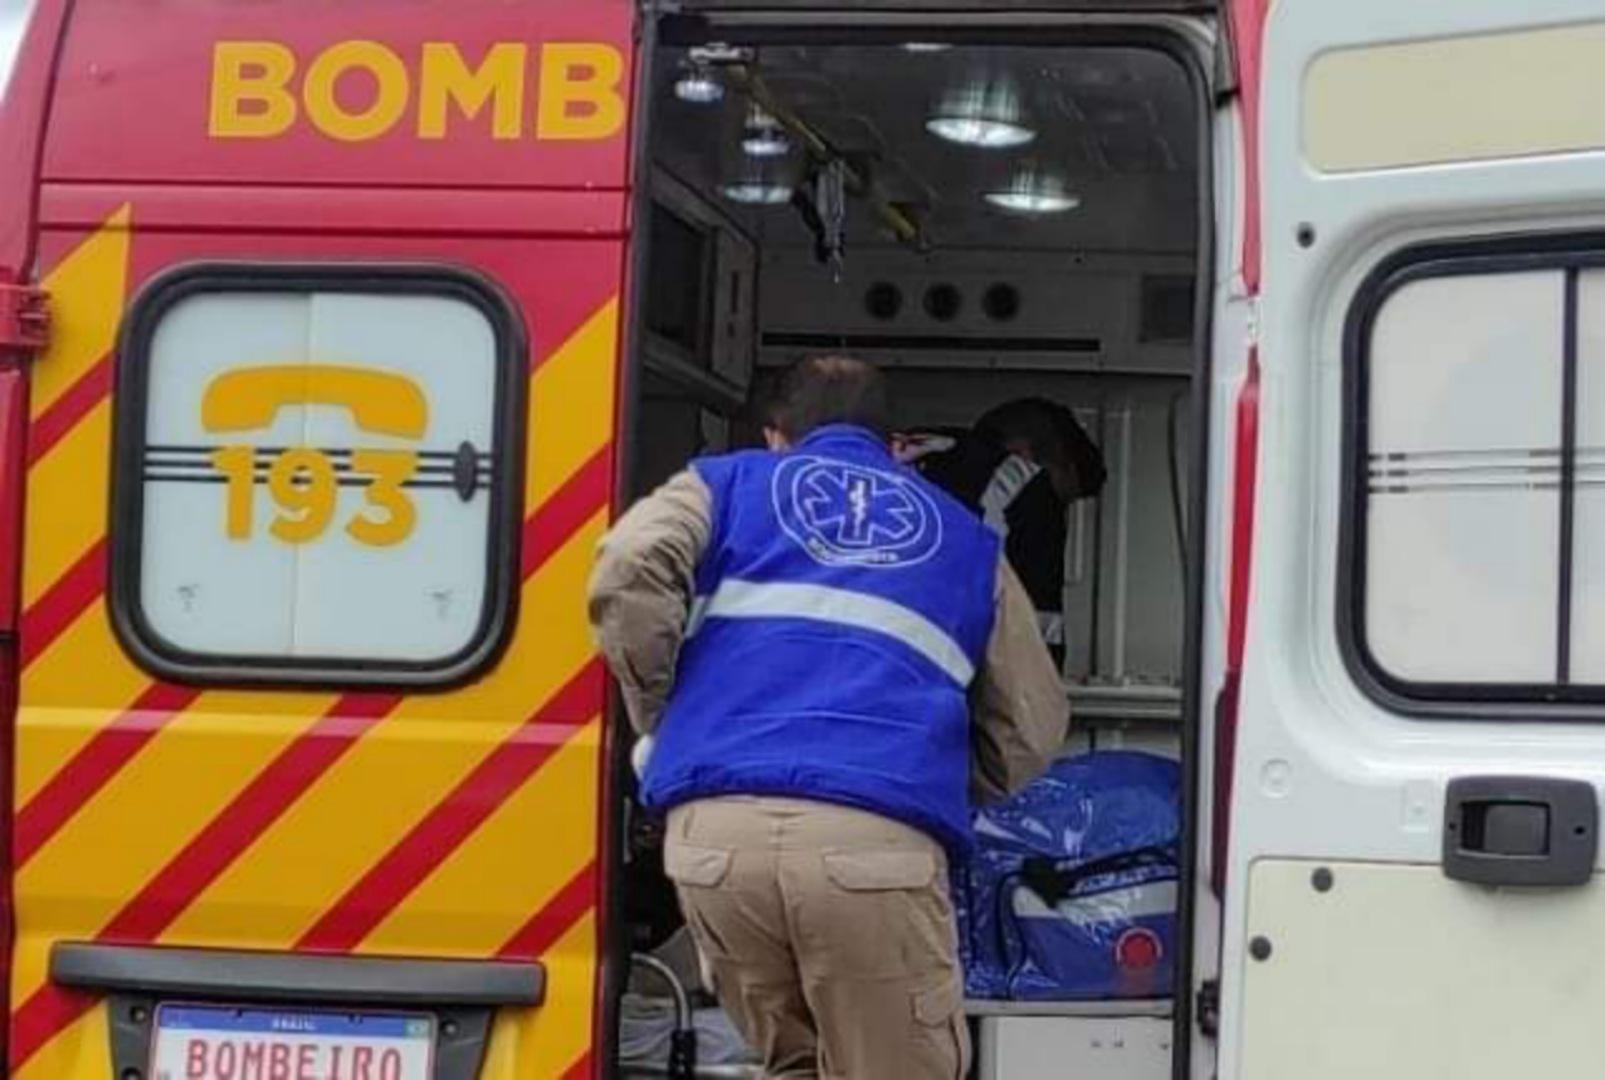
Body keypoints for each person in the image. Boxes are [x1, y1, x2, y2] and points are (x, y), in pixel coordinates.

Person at [589, 356, 1069, 1079]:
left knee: (793, 1066)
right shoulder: (965, 542)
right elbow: (1031, 722)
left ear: (776, 434)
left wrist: (660, 715)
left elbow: (627, 563)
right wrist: (924, 782)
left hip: (716, 844)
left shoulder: (721, 485)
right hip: (872, 849)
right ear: (890, 440)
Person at [897, 398, 1105, 657]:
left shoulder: (889, 449)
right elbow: (1038, 629)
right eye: (1061, 499)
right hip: (929, 661)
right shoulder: (1024, 481)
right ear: (1028, 453)